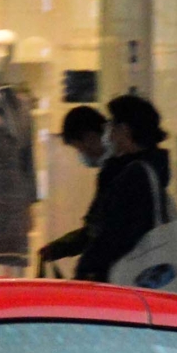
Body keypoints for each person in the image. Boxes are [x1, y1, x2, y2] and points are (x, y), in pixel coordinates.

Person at [71, 93, 172, 283]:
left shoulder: (133, 175)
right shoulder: (151, 168)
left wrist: (87, 267)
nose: (108, 133)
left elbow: (116, 233)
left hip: (123, 276)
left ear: (124, 130)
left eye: (111, 125)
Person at [33, 104, 108, 275]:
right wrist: (58, 248)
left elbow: (102, 233)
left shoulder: (119, 173)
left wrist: (83, 273)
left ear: (90, 138)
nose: (81, 154)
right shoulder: (114, 171)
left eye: (78, 148)